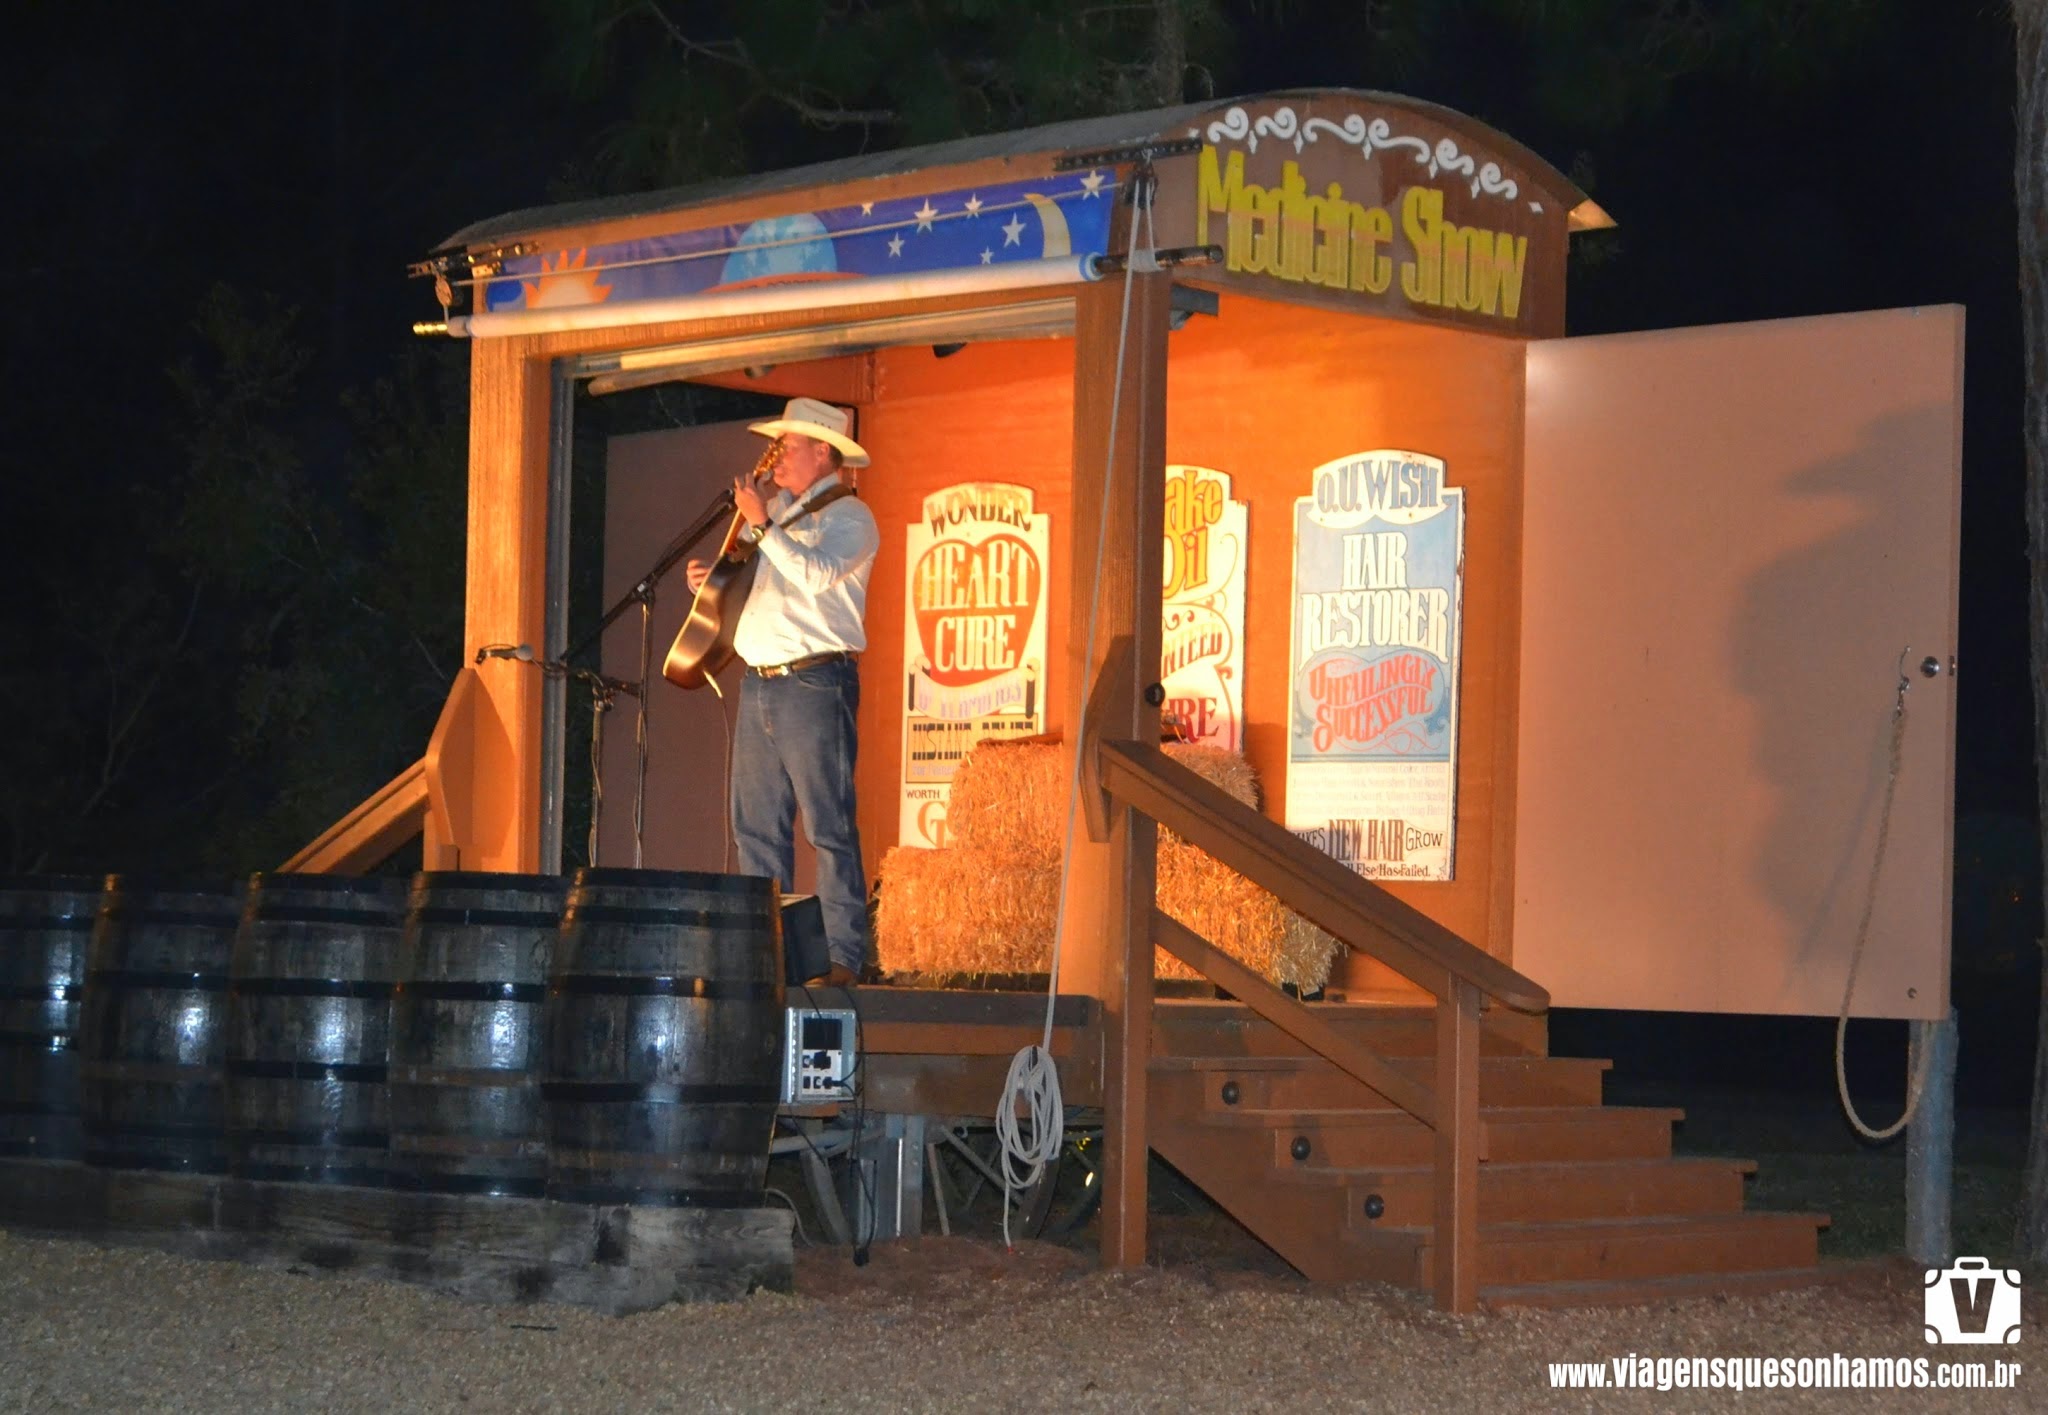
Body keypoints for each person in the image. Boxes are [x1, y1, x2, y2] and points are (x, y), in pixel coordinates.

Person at [686, 397, 879, 987]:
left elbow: (817, 575)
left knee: (828, 824)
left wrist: (763, 526)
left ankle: (846, 956)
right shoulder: (776, 514)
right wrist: (713, 578)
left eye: (787, 446)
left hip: (816, 680)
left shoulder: (850, 516)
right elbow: (759, 583)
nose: (775, 457)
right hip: (761, 682)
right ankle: (763, 958)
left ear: (822, 450)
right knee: (757, 827)